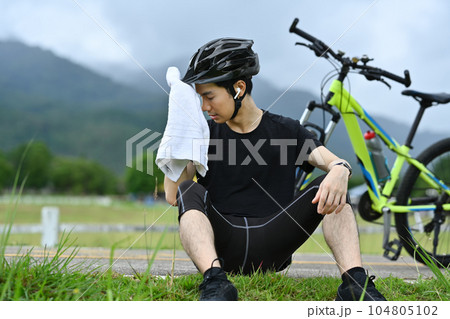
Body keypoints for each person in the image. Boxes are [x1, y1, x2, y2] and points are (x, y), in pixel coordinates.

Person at [164, 38, 386, 301]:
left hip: (274, 239)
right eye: (200, 98)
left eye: (209, 96)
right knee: (190, 188)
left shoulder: (286, 130)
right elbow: (174, 193)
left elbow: (333, 162)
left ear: (238, 88)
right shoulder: (204, 134)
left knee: (333, 182)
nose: (204, 107)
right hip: (223, 244)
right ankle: (215, 283)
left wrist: (340, 170)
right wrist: (180, 130)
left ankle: (354, 284)